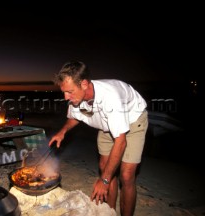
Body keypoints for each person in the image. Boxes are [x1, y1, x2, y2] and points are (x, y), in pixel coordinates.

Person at [49, 61, 148, 216]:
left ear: (84, 84)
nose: (65, 97)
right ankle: (110, 212)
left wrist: (104, 181)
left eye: (69, 92)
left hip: (132, 120)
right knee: (105, 167)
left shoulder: (111, 98)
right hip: (106, 124)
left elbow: (121, 142)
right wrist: (63, 131)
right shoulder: (76, 97)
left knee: (126, 175)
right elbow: (75, 117)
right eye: (64, 92)